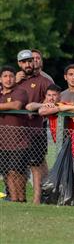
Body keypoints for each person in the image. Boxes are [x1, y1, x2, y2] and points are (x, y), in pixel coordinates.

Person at [16, 49, 52, 204]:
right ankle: (17, 198)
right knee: (17, 166)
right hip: (15, 131)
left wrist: (37, 105)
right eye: (24, 61)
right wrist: (16, 81)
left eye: (30, 61)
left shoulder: (44, 81)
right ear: (19, 64)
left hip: (36, 130)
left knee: (36, 165)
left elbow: (53, 100)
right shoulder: (14, 79)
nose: (28, 64)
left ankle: (37, 200)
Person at [0, 66, 29, 202]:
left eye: (11, 76)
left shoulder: (20, 92)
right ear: (0, 79)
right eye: (5, 76)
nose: (8, 79)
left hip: (19, 141)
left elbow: (16, 105)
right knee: (6, 173)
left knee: (17, 172)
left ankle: (21, 199)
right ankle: (13, 200)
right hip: (2, 142)